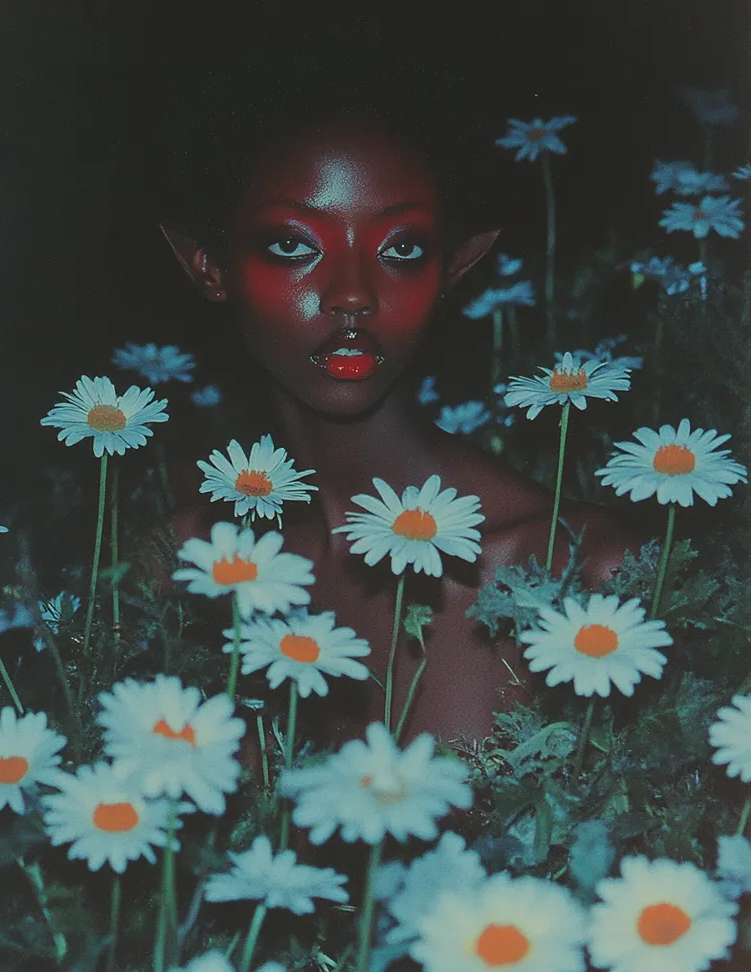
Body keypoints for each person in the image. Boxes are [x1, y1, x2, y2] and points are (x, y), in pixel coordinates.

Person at [158, 106, 640, 748]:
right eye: (294, 245)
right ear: (207, 267)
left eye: (401, 250)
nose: (352, 292)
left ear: (456, 269)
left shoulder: (580, 576)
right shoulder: (175, 567)